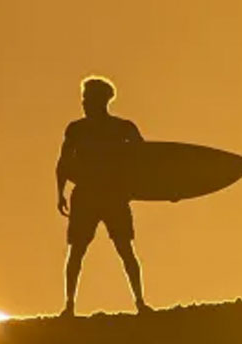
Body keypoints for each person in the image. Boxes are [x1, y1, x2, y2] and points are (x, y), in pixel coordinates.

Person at [55, 75, 152, 317]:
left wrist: (166, 189)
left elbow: (147, 161)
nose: (84, 103)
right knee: (76, 251)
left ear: (102, 101)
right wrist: (60, 193)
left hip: (114, 196)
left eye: (88, 99)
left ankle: (140, 302)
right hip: (85, 196)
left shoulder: (123, 128)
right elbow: (63, 162)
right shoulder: (76, 129)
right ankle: (69, 305)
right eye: (84, 98)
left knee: (125, 249)